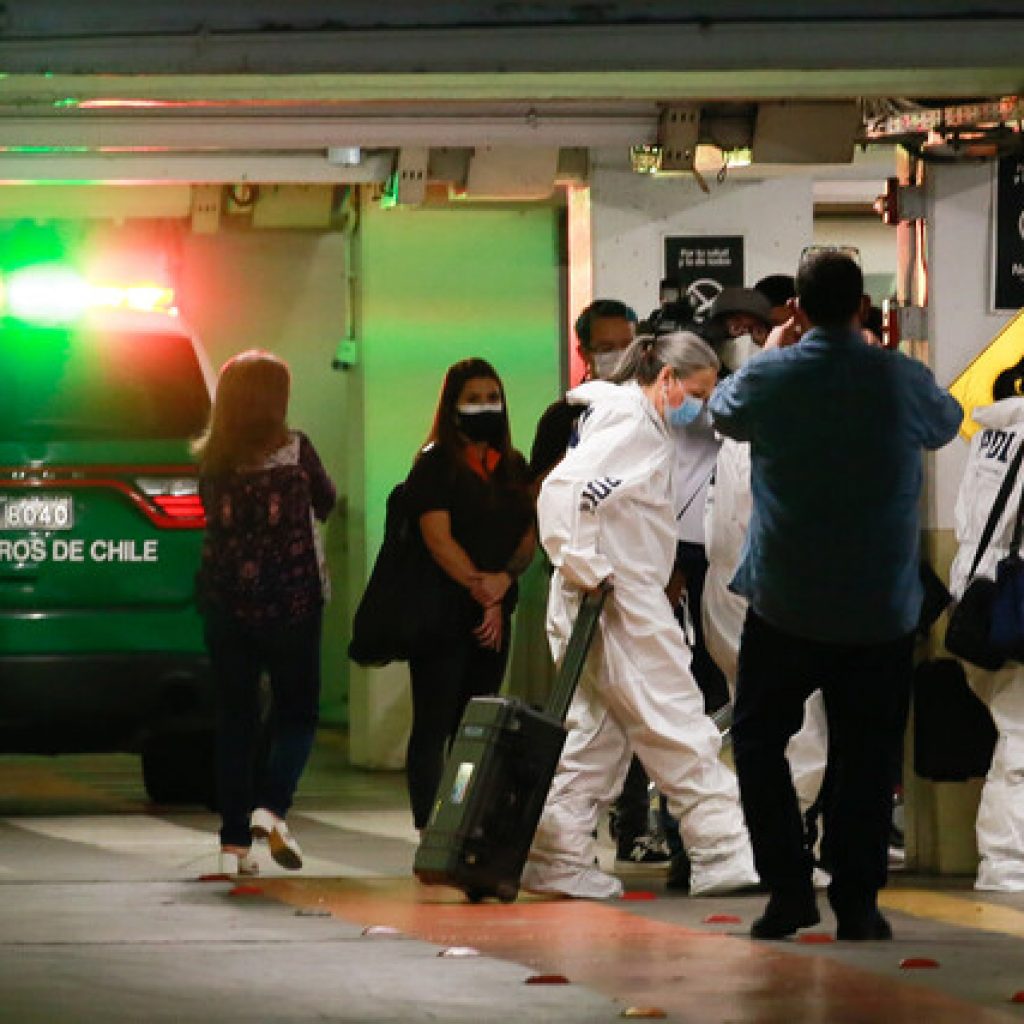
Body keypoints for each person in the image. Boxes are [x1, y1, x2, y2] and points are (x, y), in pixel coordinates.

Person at [710, 252, 962, 940]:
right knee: (868, 754)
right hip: (878, 607)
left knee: (759, 743)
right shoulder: (898, 378)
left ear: (796, 308)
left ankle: (789, 889)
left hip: (785, 601)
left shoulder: (770, 375)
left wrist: (772, 350)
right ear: (863, 306)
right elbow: (946, 423)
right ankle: (858, 901)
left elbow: (723, 415)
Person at [521, 331, 758, 900]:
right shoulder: (632, 424)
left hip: (604, 598)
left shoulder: (616, 416)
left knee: (597, 737)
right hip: (620, 600)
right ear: (668, 379)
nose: (701, 404)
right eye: (698, 391)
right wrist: (584, 563)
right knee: (678, 723)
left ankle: (556, 856)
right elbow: (564, 490)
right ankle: (723, 853)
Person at [527, 300, 671, 871]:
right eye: (605, 344)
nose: (618, 353)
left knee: (617, 727)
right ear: (583, 351)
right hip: (584, 591)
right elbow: (548, 495)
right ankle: (562, 851)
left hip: (633, 589)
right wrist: (583, 563)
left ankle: (580, 844)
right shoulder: (566, 416)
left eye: (626, 342)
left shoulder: (646, 413)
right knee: (590, 728)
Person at [195, 350, 337, 876]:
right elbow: (327, 501)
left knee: (235, 720)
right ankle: (271, 806)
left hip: (227, 604)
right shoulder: (297, 451)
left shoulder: (212, 458)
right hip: (295, 603)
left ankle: (233, 847)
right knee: (297, 712)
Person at [403, 357, 535, 833]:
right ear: (453, 405)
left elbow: (529, 530)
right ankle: (431, 826)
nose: (486, 407)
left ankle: (467, 817)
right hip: (442, 614)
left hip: (495, 609)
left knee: (477, 725)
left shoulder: (512, 466)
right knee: (433, 725)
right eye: (474, 399)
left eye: (492, 398)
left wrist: (504, 582)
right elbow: (438, 538)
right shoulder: (436, 465)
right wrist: (484, 590)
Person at [949, 356, 1024, 892]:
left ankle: (1004, 859)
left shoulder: (992, 433)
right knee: (1021, 737)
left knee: (1013, 732)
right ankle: (1005, 862)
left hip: (976, 592)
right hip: (1012, 601)